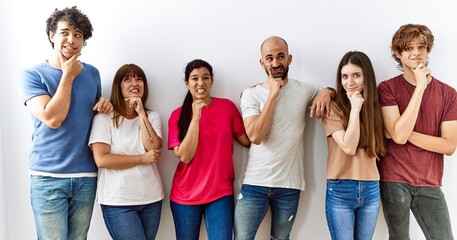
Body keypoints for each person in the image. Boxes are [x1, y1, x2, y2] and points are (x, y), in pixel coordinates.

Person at [20, 6, 112, 239]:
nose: (72, 39)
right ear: (52, 35)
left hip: (86, 177)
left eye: (78, 35)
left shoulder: (93, 74)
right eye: (65, 32)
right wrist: (68, 75)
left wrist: (104, 105)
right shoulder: (33, 75)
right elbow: (53, 118)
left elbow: (92, 117)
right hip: (47, 178)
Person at [234, 36, 333, 240]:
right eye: (269, 58)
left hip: (289, 185)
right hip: (255, 184)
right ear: (262, 63)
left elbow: (325, 94)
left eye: (280, 56)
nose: (276, 63)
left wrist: (328, 91)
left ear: (289, 58)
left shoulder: (303, 90)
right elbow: (256, 136)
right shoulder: (251, 94)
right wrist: (272, 95)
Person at [378, 24, 457, 239]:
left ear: (428, 50)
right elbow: (399, 136)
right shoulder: (387, 88)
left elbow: (449, 146)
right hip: (394, 179)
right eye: (409, 48)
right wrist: (420, 87)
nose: (416, 52)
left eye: (421, 47)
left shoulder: (449, 94)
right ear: (398, 53)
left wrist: (401, 134)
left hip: (430, 181)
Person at [168, 59, 250, 240]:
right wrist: (196, 117)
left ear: (212, 81)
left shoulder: (227, 107)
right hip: (185, 196)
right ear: (186, 83)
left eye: (205, 78)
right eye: (194, 78)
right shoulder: (177, 115)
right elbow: (185, 157)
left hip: (220, 193)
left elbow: (249, 141)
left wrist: (255, 100)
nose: (200, 83)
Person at [89, 64, 163, 240]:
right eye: (127, 79)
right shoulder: (104, 118)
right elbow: (102, 160)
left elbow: (153, 147)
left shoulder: (152, 116)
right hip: (118, 202)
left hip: (151, 198)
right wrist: (142, 158)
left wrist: (141, 113)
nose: (134, 83)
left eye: (139, 79)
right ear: (118, 86)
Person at [322, 51, 386, 240]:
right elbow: (349, 147)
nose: (349, 82)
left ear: (367, 77)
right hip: (340, 188)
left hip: (371, 188)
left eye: (356, 75)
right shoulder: (332, 108)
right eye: (345, 76)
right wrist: (355, 109)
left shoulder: (376, 109)